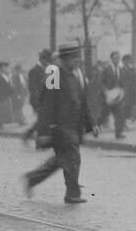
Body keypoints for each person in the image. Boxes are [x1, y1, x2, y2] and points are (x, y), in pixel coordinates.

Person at [22, 41, 97, 204]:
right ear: (65, 58)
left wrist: (92, 123)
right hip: (60, 127)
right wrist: (43, 132)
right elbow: (47, 104)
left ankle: (32, 178)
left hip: (73, 125)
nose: (77, 61)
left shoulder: (73, 73)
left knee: (62, 160)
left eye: (78, 58)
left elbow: (81, 101)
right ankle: (72, 194)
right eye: (74, 58)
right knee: (72, 157)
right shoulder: (53, 73)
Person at [23, 50, 52, 144]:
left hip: (46, 100)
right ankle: (38, 142)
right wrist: (37, 102)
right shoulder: (34, 71)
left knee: (42, 120)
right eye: (47, 60)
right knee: (43, 120)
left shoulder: (47, 69)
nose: (48, 62)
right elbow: (33, 88)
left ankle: (29, 133)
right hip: (38, 101)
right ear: (42, 59)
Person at [99, 50, 129, 139]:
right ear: (111, 58)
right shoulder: (106, 69)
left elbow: (122, 82)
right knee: (103, 115)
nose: (117, 59)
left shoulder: (120, 69)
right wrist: (106, 91)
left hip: (117, 97)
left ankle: (118, 133)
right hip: (108, 97)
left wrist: (122, 92)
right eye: (115, 58)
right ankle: (95, 129)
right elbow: (100, 82)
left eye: (118, 58)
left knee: (119, 115)